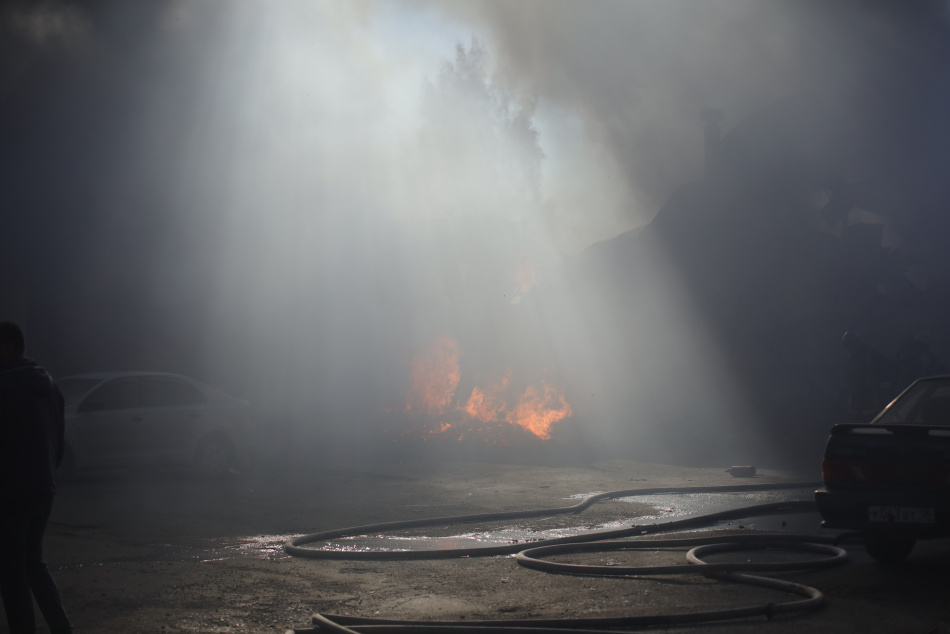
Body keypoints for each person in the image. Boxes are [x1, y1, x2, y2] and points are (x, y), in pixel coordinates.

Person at [0, 322, 72, 634]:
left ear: (7, 348)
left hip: (10, 491)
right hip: (43, 487)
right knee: (33, 562)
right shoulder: (49, 385)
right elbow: (58, 439)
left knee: (12, 573)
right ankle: (62, 628)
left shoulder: (4, 387)